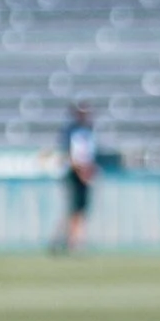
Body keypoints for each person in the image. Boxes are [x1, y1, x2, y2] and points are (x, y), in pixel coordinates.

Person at [57, 104, 99, 252]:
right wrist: (81, 172)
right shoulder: (72, 131)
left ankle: (72, 240)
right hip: (75, 172)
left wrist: (90, 169)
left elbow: (89, 154)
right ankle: (71, 241)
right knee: (74, 209)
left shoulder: (88, 130)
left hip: (84, 172)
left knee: (79, 209)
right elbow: (71, 155)